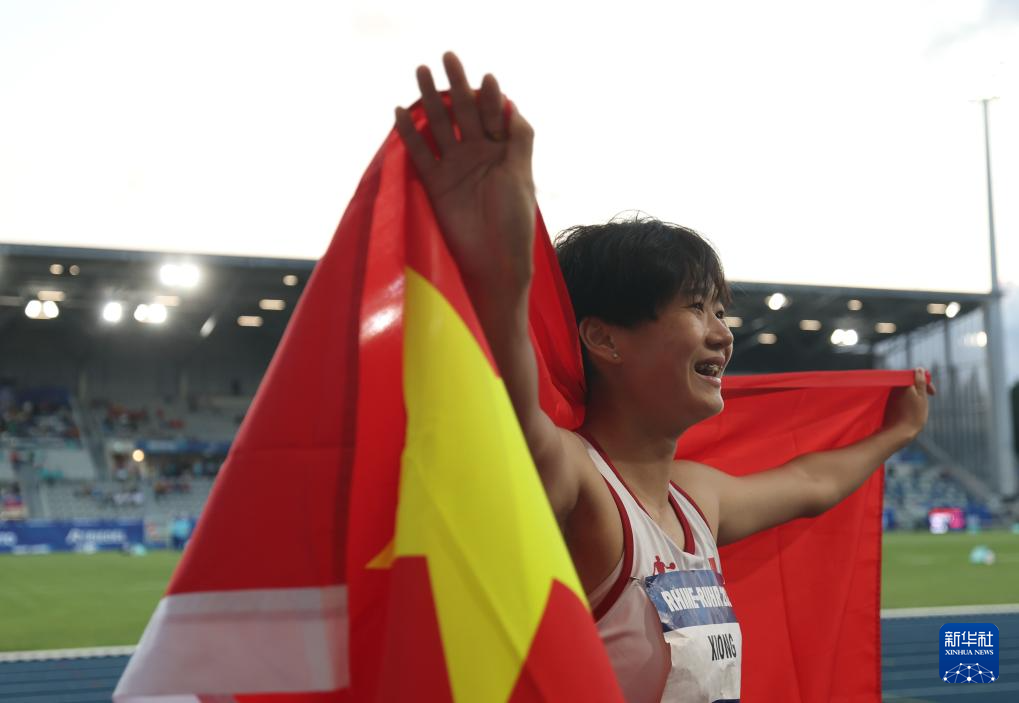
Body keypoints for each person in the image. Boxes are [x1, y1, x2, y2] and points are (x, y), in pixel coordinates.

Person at [395, 52, 934, 703]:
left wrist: (897, 433)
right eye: (695, 308)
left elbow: (812, 484)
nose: (722, 334)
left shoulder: (694, 500)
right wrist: (502, 267)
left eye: (720, 311)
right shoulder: (581, 484)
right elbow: (510, 414)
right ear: (603, 338)